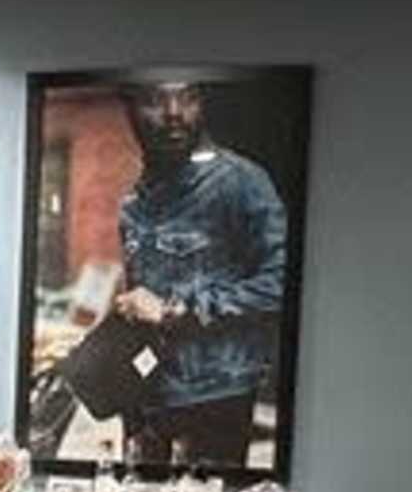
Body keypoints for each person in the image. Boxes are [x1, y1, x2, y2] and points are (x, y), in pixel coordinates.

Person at [105, 79, 291, 471]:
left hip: (213, 402)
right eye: (156, 99)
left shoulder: (241, 183)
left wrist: (176, 311)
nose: (174, 113)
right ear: (130, 108)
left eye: (188, 97)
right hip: (145, 398)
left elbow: (281, 284)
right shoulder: (134, 202)